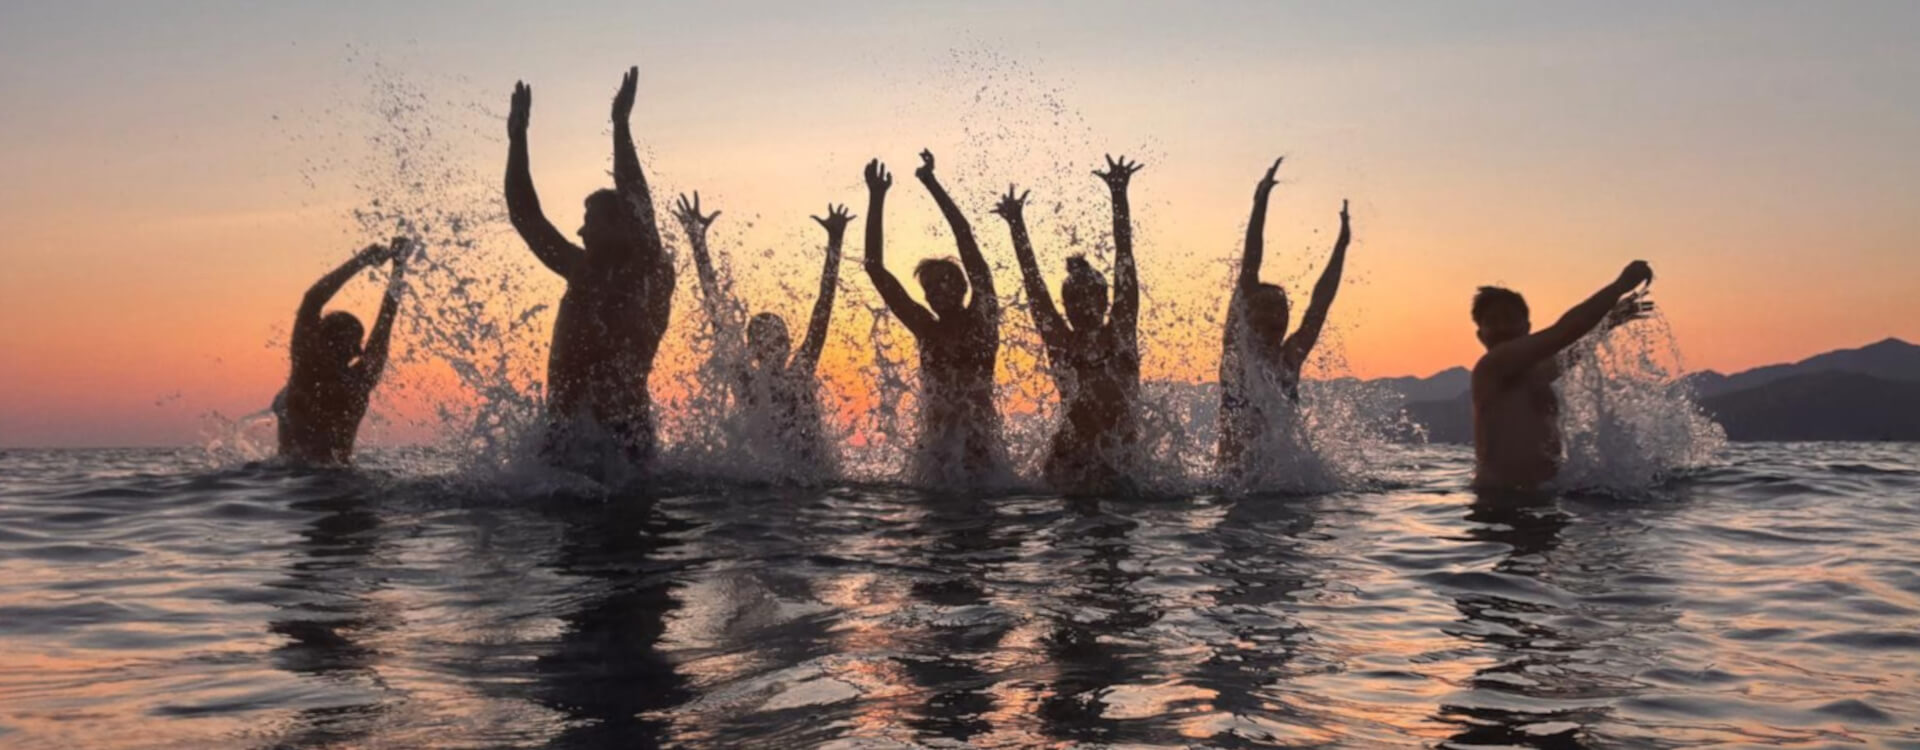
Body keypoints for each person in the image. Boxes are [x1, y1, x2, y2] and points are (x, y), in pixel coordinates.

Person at [504, 67, 675, 476]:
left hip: (624, 434)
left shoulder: (650, 271)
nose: (580, 229)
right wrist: (517, 140)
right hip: (562, 432)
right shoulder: (581, 269)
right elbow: (526, 216)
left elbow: (637, 202)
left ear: (619, 225)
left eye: (590, 219)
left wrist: (620, 126)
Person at [991, 155, 1144, 494]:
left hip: (1121, 456)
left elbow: (1125, 260)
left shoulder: (1119, 331)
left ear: (1105, 302)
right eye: (1074, 300)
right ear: (1065, 306)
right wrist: (1016, 225)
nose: (1083, 306)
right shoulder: (1060, 339)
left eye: (1091, 298)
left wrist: (1119, 195)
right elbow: (1033, 282)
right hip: (1069, 458)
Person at [673, 189, 853, 475]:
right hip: (772, 481)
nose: (771, 347)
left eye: (777, 339)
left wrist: (835, 242)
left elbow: (823, 309)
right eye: (763, 340)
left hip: (812, 479)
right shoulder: (744, 380)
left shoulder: (800, 372)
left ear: (788, 343)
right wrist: (697, 242)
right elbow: (715, 308)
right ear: (752, 347)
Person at [863, 150, 1004, 485]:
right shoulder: (925, 328)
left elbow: (964, 236)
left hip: (979, 449)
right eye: (929, 288)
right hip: (936, 452)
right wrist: (877, 197)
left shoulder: (982, 319)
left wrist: (931, 183)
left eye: (943, 284)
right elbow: (873, 267)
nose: (935, 293)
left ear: (961, 286)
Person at [1217, 157, 1352, 478]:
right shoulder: (1239, 352)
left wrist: (1342, 247)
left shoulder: (1290, 358)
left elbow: (1319, 305)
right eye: (1266, 307)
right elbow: (1249, 267)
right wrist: (1260, 201)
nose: (1276, 315)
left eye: (1282, 309)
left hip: (1281, 484)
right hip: (1233, 484)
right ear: (1247, 315)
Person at [1470, 262, 1655, 489]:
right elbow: (1564, 332)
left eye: (1509, 318)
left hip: (1542, 498)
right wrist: (1619, 286)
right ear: (1480, 335)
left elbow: (1571, 353)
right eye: (1492, 321)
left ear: (1527, 327)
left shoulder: (1533, 374)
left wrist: (1608, 323)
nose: (1502, 328)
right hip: (1501, 507)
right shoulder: (1491, 368)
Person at [276, 237, 412, 466]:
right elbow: (386, 318)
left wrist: (363, 261)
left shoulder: (307, 370)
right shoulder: (359, 378)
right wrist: (397, 266)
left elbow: (312, 300)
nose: (334, 350)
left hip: (293, 480)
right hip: (338, 478)